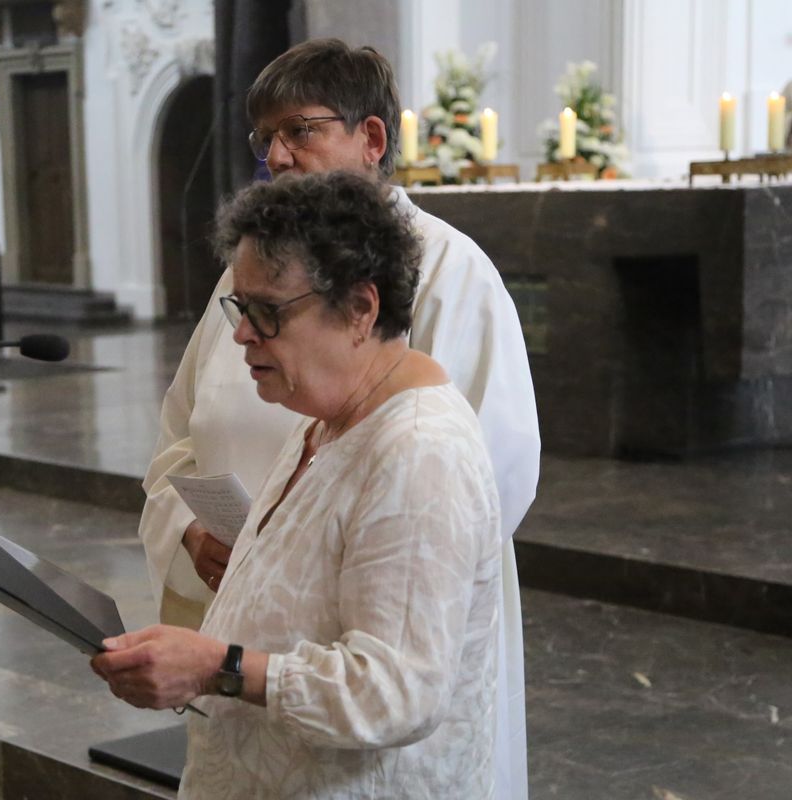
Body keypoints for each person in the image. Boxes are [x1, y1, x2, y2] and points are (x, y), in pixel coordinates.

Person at [135, 39, 539, 800]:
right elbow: (179, 440)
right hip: (256, 670)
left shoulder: (453, 277)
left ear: (373, 139)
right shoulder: (250, 276)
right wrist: (196, 538)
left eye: (301, 131)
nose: (278, 156)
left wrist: (316, 575)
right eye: (265, 140)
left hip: (362, 662)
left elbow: (485, 480)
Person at [95, 171, 502, 798]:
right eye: (239, 306)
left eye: (267, 312)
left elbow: (396, 693)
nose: (241, 334)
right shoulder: (329, 419)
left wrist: (216, 667)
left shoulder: (419, 453)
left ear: (361, 309)